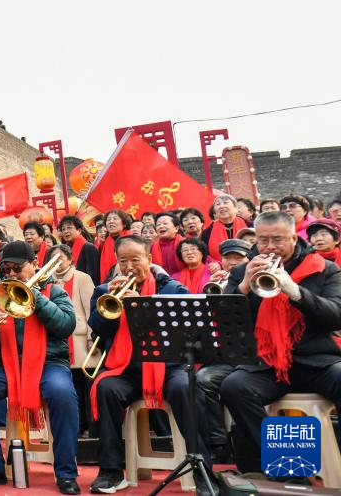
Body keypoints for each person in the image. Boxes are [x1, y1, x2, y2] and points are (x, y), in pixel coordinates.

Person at [220, 210, 341, 476]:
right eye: (263, 240)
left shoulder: (324, 268)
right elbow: (224, 321)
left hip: (315, 361)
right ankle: (288, 468)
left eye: (278, 239)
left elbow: (336, 316)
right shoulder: (242, 271)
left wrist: (295, 291)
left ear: (294, 239)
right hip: (266, 364)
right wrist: (243, 287)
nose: (270, 247)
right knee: (234, 387)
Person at [87, 236, 210, 495]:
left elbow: (188, 332)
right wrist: (112, 300)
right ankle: (110, 471)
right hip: (126, 369)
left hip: (169, 367)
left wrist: (141, 309)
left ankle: (202, 469)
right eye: (123, 261)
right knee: (106, 388)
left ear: (149, 260)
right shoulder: (104, 291)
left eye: (135, 260)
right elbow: (98, 329)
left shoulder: (171, 289)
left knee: (185, 388)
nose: (129, 267)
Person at [0, 242, 80, 494]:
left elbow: (66, 326)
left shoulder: (54, 291)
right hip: (8, 364)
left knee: (62, 393)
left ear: (35, 265)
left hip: (49, 363)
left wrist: (36, 297)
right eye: (6, 269)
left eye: (17, 268)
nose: (11, 274)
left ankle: (66, 473)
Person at [194, 238, 252, 463]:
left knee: (236, 384)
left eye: (239, 258)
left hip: (253, 356)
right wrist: (213, 293)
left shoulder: (256, 279)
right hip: (224, 355)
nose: (233, 262)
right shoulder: (216, 282)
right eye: (228, 258)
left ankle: (250, 447)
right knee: (202, 379)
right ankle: (219, 443)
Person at [48, 244, 96, 437]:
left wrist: (92, 337)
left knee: (86, 386)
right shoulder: (48, 280)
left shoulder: (82, 277)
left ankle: (92, 429)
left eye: (60, 257)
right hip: (60, 341)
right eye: (53, 258)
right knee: (71, 387)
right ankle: (76, 427)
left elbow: (91, 309)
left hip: (81, 340)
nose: (57, 262)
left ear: (70, 259)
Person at [200, 194, 249, 261]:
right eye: (218, 204)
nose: (221, 206)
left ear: (236, 208)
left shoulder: (249, 226)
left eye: (225, 203)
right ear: (215, 212)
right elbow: (205, 255)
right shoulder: (207, 232)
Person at [58, 216, 100, 285]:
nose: (66, 231)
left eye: (69, 228)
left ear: (79, 231)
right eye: (63, 229)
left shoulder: (89, 248)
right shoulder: (65, 251)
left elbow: (94, 277)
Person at [98, 210, 131, 283]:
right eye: (108, 219)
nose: (111, 221)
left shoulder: (130, 240)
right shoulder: (107, 241)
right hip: (109, 282)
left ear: (124, 224)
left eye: (115, 219)